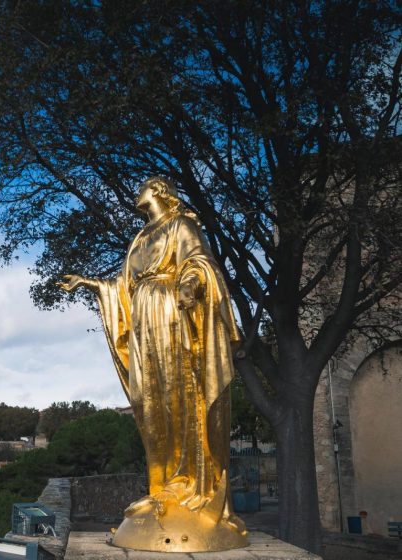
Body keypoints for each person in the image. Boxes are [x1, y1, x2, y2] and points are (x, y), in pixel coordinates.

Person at [59, 176, 247, 551]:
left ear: (159, 191)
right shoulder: (141, 237)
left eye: (144, 185)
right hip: (144, 317)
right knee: (150, 403)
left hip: (170, 312)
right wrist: (93, 285)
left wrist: (191, 284)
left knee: (180, 396)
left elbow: (199, 262)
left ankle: (190, 484)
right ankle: (161, 488)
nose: (137, 191)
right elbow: (125, 287)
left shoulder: (181, 224)